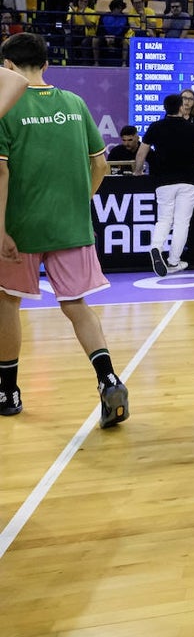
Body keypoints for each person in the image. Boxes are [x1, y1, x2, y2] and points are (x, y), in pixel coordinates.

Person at [0, 32, 128, 425]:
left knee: (7, 302)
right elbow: (101, 164)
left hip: (19, 226)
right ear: (46, 65)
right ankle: (108, 378)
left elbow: (1, 171)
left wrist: (1, 229)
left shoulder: (6, 107)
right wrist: (79, 201)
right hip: (72, 224)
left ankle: (8, 391)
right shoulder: (74, 102)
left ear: (7, 67)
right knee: (76, 305)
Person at [134, 93, 194, 276]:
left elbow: (141, 153)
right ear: (181, 106)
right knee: (182, 222)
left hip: (164, 181)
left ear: (164, 108)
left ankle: (156, 247)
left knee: (164, 219)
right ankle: (174, 261)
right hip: (189, 181)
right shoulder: (193, 129)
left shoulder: (155, 127)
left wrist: (137, 171)